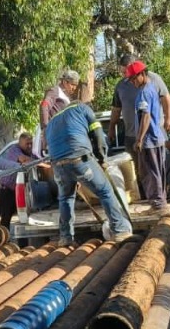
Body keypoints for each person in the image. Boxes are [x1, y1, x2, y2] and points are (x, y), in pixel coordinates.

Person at [45, 101, 133, 246]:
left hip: (58, 165)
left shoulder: (52, 121)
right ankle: (120, 231)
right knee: (105, 191)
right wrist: (102, 158)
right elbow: (98, 135)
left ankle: (66, 238)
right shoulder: (83, 108)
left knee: (66, 198)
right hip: (80, 159)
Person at [109, 53, 170, 202]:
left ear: (138, 72)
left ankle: (159, 200)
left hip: (150, 135)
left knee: (152, 170)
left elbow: (147, 115)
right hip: (136, 135)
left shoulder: (148, 87)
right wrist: (111, 127)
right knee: (143, 171)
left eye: (131, 75)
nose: (128, 78)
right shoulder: (126, 86)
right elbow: (116, 108)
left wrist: (168, 117)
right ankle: (152, 198)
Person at [126, 61, 170, 211]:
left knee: (150, 171)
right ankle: (160, 200)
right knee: (157, 170)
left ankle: (158, 203)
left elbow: (146, 116)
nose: (132, 82)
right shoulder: (151, 88)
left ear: (143, 74)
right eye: (130, 80)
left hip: (149, 139)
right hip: (156, 137)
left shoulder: (144, 92)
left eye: (133, 78)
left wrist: (139, 139)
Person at [0, 132, 47, 228]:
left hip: (21, 191)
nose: (29, 146)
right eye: (26, 144)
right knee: (6, 219)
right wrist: (45, 165)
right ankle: (3, 239)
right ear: (20, 143)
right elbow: (24, 160)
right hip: (7, 191)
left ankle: (22, 242)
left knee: (24, 219)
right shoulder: (14, 150)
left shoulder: (31, 153)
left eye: (30, 143)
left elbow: (39, 161)